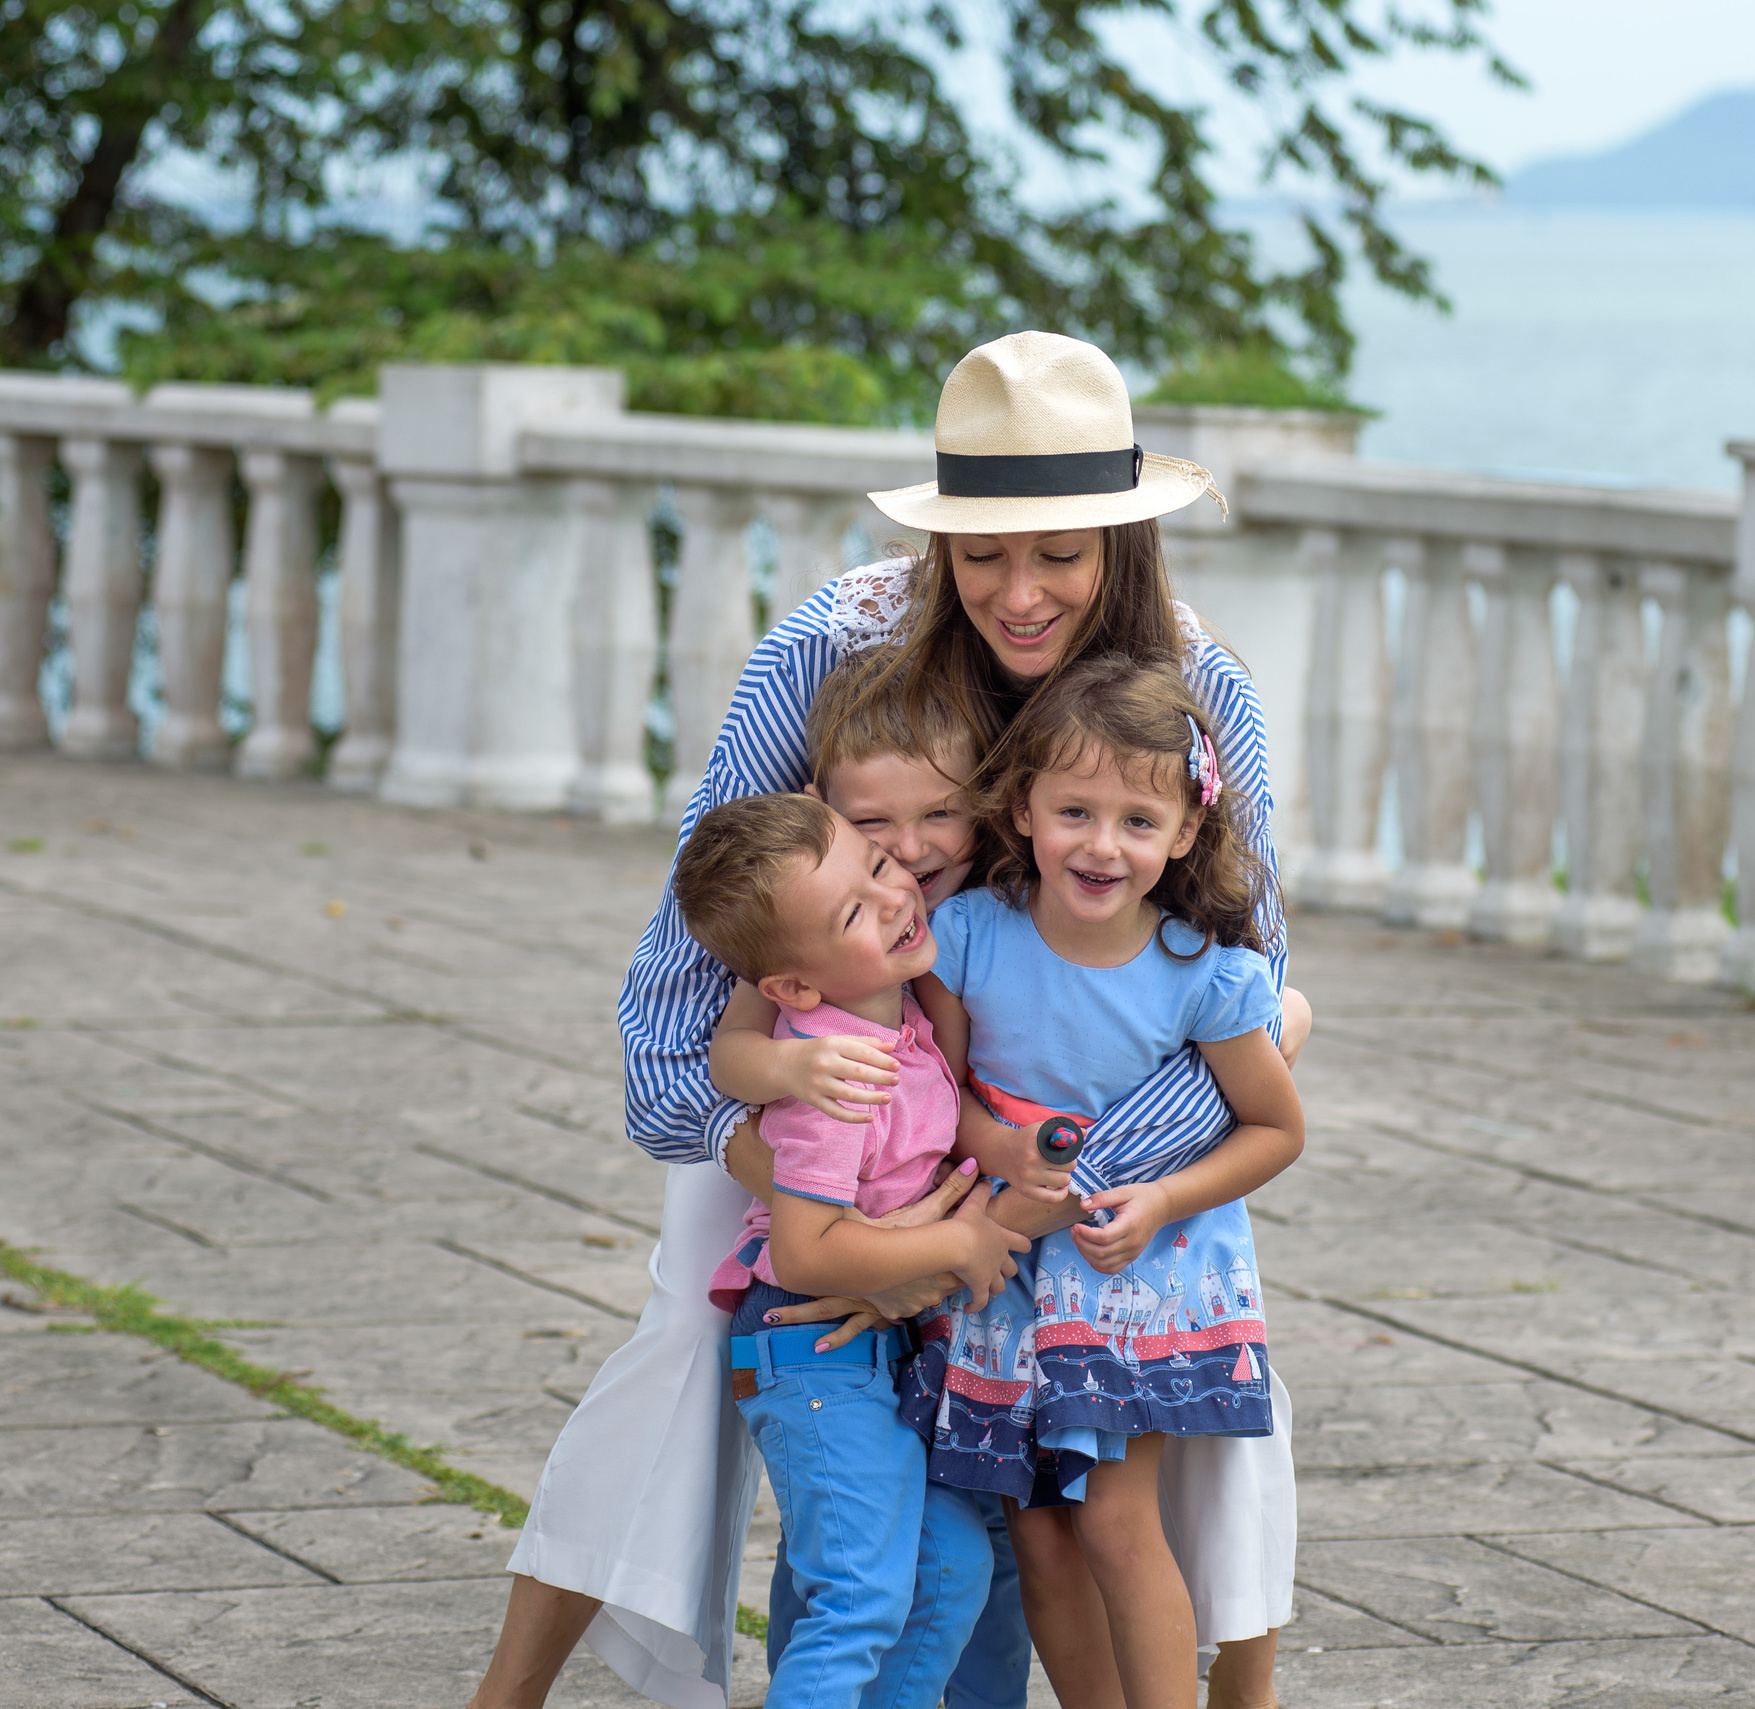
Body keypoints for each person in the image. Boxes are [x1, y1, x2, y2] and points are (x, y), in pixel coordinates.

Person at [468, 329, 1308, 1709]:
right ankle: (506, 1692)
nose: (1019, 592)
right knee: (691, 1323)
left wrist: (995, 1205)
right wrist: (812, 1198)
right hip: (822, 1080)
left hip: (1065, 1132)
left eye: (1058, 552)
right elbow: (679, 975)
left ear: (1121, 539)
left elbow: (1249, 961)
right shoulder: (829, 643)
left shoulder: (1198, 684)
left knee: (1199, 1357)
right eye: (983, 554)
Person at [906, 655, 1303, 1709]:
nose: (1100, 842)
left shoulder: (1204, 971)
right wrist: (1007, 1158)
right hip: (1008, 1271)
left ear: (1184, 830)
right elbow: (938, 1094)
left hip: (1134, 1272)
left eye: (1138, 818)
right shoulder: (969, 936)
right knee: (1036, 1532)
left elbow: (1273, 1126)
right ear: (1021, 805)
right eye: (1073, 809)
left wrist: (1164, 1198)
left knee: (1116, 1521)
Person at [671, 793, 1031, 1709]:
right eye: (852, 913)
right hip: (811, 1350)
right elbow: (801, 1252)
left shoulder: (897, 1015)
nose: (894, 896)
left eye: (878, 868)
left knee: (950, 1570)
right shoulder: (837, 1072)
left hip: (875, 1350)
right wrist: (957, 1240)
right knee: (862, 1596)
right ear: (791, 985)